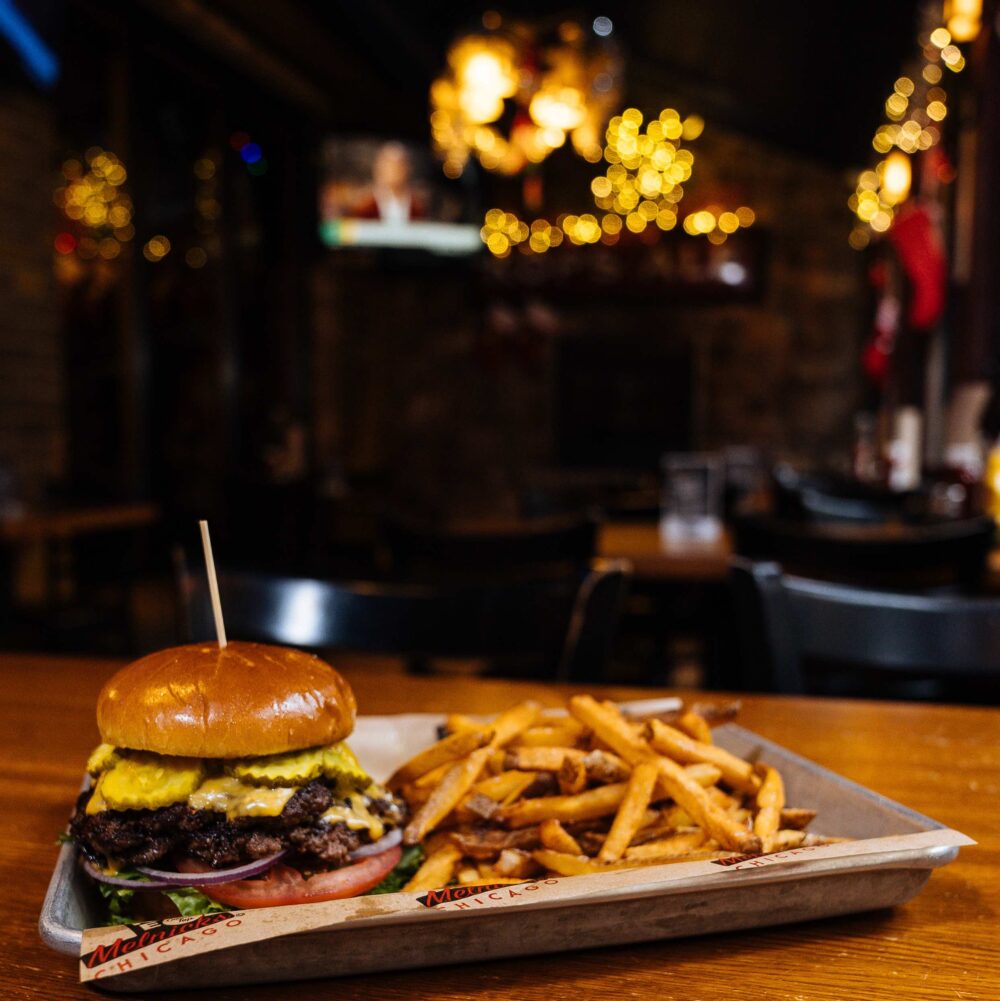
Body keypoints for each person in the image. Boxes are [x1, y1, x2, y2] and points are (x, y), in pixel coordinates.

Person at [352, 142, 426, 222]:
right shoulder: (365, 206)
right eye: (389, 167)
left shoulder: (417, 207)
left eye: (398, 167)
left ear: (407, 169)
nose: (393, 172)